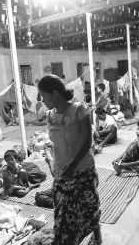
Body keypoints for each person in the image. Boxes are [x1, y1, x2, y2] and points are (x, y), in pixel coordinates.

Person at [38, 74, 101, 245]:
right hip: (62, 173)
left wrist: (73, 165)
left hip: (82, 170)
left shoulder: (79, 110)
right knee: (63, 218)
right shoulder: (50, 116)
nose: (42, 100)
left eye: (44, 96)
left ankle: (97, 237)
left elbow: (88, 141)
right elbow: (54, 144)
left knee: (89, 210)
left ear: (55, 93)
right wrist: (51, 159)